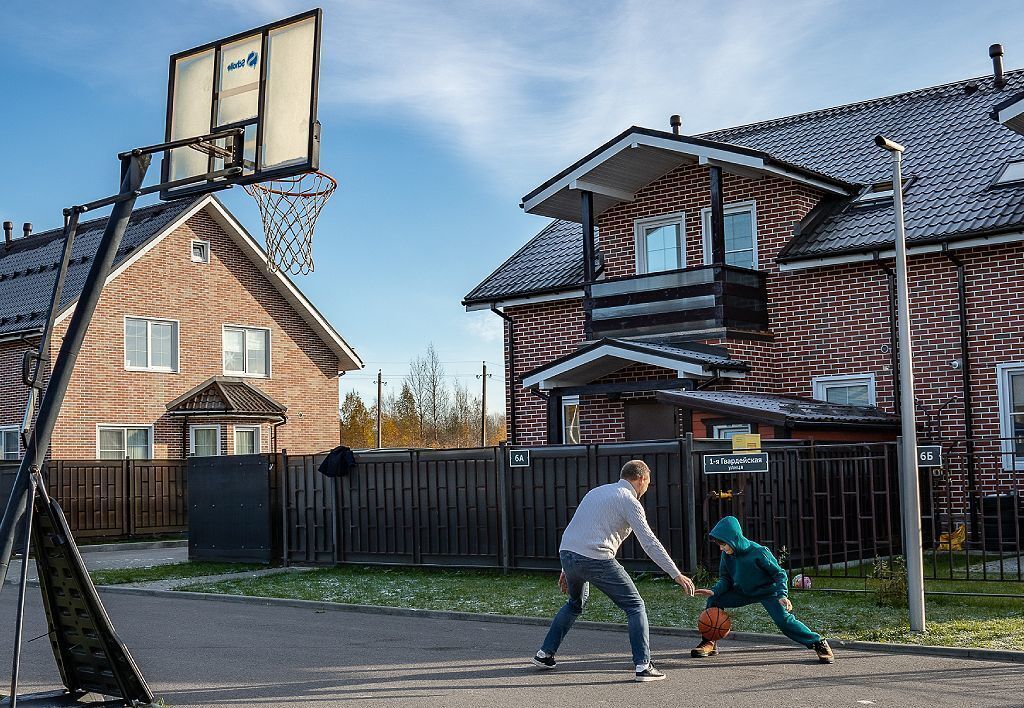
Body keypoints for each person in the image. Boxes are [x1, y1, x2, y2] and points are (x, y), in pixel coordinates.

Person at [530, 459, 697, 682]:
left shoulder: (596, 492)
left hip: (568, 554)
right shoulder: (629, 501)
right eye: (648, 483)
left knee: (574, 603)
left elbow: (576, 527)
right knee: (635, 605)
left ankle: (545, 654)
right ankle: (643, 666)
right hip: (595, 558)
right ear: (641, 479)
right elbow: (649, 542)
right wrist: (675, 573)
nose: (647, 488)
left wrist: (566, 567)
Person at [691, 516, 834, 663]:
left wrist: (782, 595)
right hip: (743, 592)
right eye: (719, 544)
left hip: (768, 593)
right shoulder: (727, 555)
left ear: (733, 538)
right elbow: (725, 579)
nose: (721, 548)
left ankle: (818, 642)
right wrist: (714, 591)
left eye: (723, 544)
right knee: (714, 599)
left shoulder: (759, 552)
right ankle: (709, 642)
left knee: (784, 621)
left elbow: (779, 574)